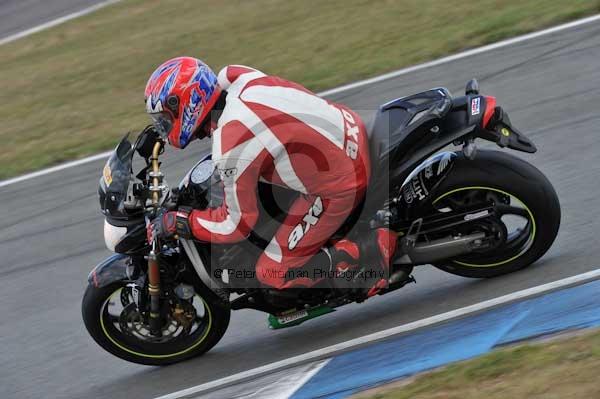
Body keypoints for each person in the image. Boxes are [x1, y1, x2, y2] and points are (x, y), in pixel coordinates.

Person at [145, 56, 396, 296]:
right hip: (348, 127)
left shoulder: (231, 141)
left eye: (166, 119)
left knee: (272, 272)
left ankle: (369, 252)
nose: (164, 127)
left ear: (187, 104)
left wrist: (180, 222)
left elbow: (236, 224)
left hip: (342, 182)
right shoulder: (235, 76)